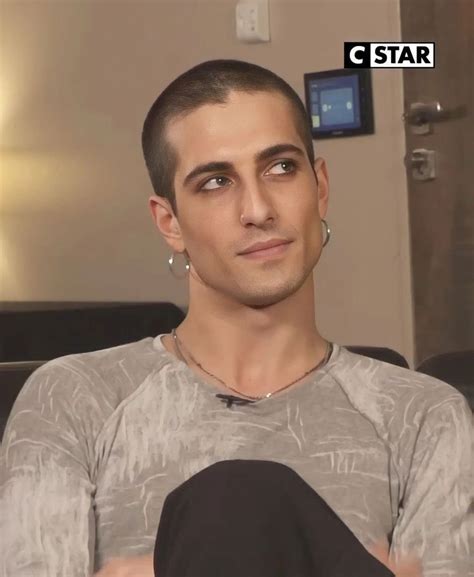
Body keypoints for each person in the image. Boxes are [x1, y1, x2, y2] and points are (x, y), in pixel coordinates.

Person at [0, 59, 471, 577]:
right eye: (216, 182)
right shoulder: (75, 397)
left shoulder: (424, 416)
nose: (258, 208)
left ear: (320, 187)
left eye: (281, 168)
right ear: (170, 222)